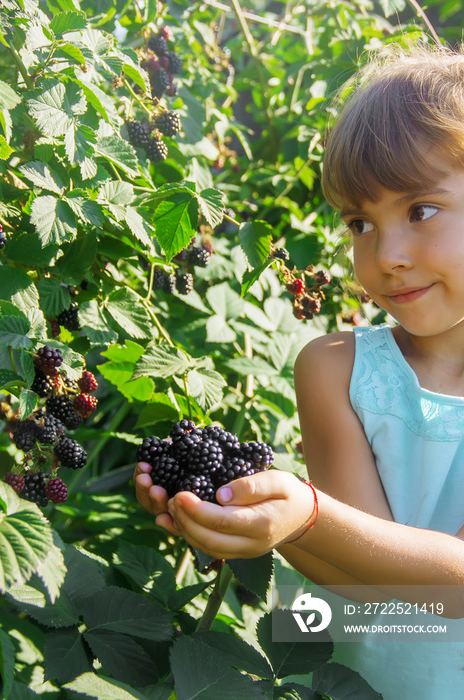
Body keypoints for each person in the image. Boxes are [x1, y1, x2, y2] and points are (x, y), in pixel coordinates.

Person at [134, 42, 464, 699]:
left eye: (420, 209)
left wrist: (304, 513)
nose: (387, 254)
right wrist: (247, 514)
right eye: (360, 223)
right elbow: (354, 575)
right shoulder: (335, 369)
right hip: (348, 684)